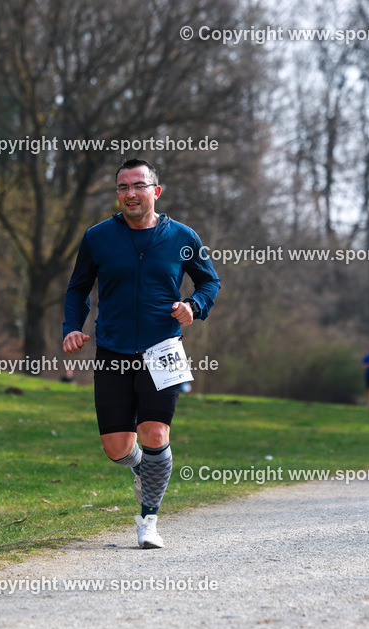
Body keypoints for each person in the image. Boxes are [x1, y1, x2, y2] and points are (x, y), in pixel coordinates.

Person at [62, 158, 220, 548]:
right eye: (123, 187)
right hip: (112, 350)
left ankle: (148, 521)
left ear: (156, 191)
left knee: (155, 432)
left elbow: (210, 282)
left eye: (138, 185)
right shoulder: (98, 237)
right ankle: (143, 470)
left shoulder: (182, 237)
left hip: (164, 348)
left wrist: (194, 306)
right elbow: (77, 289)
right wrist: (72, 328)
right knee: (117, 448)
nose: (130, 193)